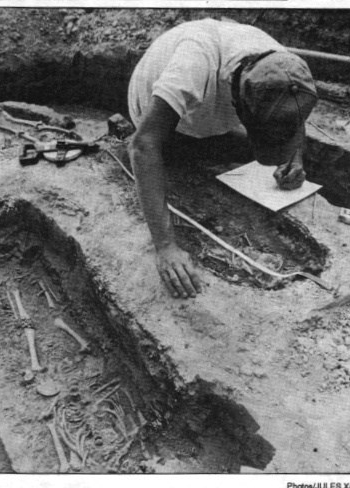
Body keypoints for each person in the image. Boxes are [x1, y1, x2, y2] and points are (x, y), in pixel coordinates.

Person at [128, 18, 318, 299]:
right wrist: (165, 246)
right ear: (240, 103)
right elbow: (143, 145)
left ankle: (214, 142)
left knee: (228, 153)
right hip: (163, 119)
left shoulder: (285, 68)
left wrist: (294, 155)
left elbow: (294, 108)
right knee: (175, 159)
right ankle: (193, 146)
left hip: (209, 114)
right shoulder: (194, 63)